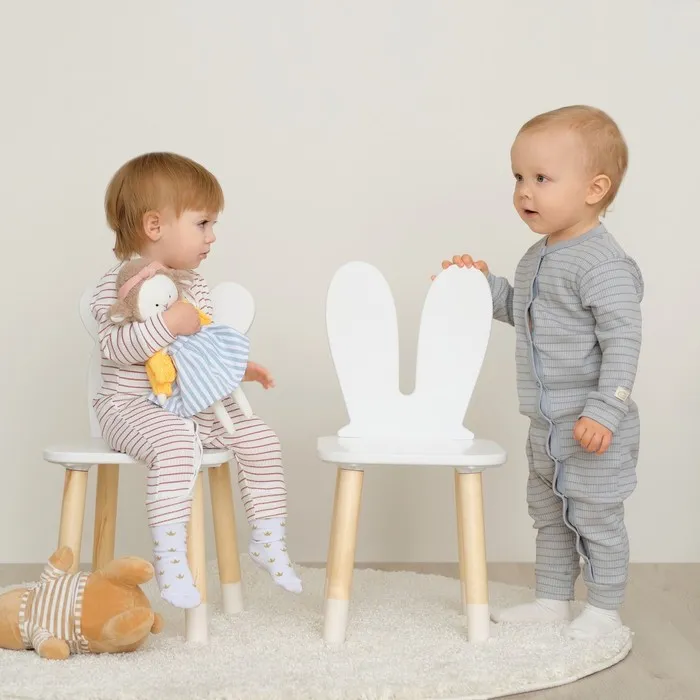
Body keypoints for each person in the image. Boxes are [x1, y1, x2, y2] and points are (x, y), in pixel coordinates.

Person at [440, 106, 643, 640]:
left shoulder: (603, 264)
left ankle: (604, 610)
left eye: (541, 179)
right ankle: (553, 599)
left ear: (594, 189)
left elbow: (623, 341)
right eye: (518, 177)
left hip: (593, 427)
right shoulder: (538, 255)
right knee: (550, 515)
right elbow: (526, 311)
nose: (524, 192)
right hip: (546, 428)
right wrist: (482, 286)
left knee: (596, 518)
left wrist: (606, 409)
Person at [91, 152, 302, 608]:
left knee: (258, 437)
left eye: (212, 224)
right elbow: (114, 348)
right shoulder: (118, 284)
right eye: (202, 223)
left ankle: (268, 538)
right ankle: (171, 559)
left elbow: (199, 348)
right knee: (176, 442)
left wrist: (238, 368)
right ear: (154, 225)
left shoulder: (194, 286)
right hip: (128, 408)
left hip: (185, 405)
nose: (212, 236)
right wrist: (167, 324)